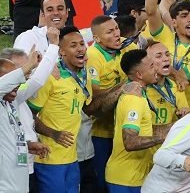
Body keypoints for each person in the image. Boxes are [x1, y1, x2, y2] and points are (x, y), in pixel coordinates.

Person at [28, 26, 136, 192]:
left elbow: (88, 109)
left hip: (72, 157)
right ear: (61, 52)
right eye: (73, 46)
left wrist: (120, 89)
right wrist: (53, 133)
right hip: (48, 159)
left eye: (82, 44)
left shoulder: (83, 77)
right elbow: (28, 116)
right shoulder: (50, 77)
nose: (80, 49)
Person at [105, 49, 171, 191]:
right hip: (125, 179)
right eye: (152, 66)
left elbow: (146, 130)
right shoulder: (134, 100)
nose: (156, 69)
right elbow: (130, 142)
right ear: (139, 75)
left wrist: (178, 126)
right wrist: (164, 136)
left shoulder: (140, 94)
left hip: (135, 177)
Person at [86, 15, 138, 191]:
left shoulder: (127, 45)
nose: (117, 34)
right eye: (110, 31)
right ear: (97, 38)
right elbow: (94, 96)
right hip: (103, 132)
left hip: (127, 128)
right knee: (103, 182)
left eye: (116, 28)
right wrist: (123, 86)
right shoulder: (92, 56)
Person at [0, 48, 39, 192]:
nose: (17, 83)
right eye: (11, 78)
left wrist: (27, 145)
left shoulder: (10, 105)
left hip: (20, 185)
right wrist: (28, 65)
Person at [14, 0, 94, 54]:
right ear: (43, 14)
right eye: (50, 10)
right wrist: (53, 44)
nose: (56, 13)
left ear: (67, 13)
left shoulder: (77, 37)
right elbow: (20, 70)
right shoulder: (29, 38)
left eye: (60, 8)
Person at [144, 41, 190, 139]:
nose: (165, 59)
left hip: (161, 149)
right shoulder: (139, 88)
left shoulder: (176, 86)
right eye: (158, 56)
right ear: (147, 62)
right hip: (137, 152)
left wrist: (185, 114)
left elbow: (184, 112)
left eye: (167, 54)